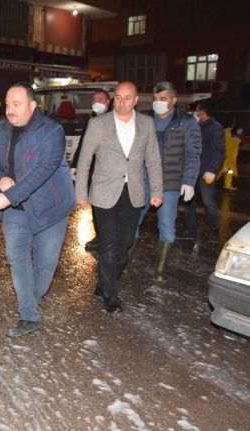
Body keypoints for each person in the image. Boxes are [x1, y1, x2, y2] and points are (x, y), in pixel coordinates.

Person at [0, 82, 75, 337]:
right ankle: (29, 316)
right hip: (17, 211)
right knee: (17, 257)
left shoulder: (51, 131)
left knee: (44, 267)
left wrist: (8, 196)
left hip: (50, 209)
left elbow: (42, 171)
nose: (10, 110)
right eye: (8, 104)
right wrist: (1, 180)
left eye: (17, 104)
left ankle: (29, 302)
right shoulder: (0, 129)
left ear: (32, 106)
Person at [75, 82, 163, 313]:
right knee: (109, 246)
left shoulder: (146, 124)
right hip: (104, 193)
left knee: (124, 247)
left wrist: (157, 191)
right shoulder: (97, 124)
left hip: (133, 193)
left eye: (127, 98)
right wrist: (81, 193)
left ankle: (104, 281)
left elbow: (153, 159)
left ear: (136, 101)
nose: (122, 102)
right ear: (113, 99)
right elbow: (84, 160)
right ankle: (111, 296)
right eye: (118, 98)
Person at [130, 81, 201, 283]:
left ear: (173, 100)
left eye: (163, 99)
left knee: (167, 225)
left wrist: (189, 181)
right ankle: (125, 260)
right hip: (143, 179)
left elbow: (193, 154)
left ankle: (160, 268)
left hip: (170, 182)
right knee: (132, 220)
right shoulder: (144, 119)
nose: (158, 103)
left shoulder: (186, 122)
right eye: (155, 99)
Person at [179, 100, 225, 241]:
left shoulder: (215, 128)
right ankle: (190, 230)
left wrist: (212, 169)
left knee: (208, 202)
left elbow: (219, 151)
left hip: (206, 174)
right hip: (193, 172)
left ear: (203, 111)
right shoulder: (196, 126)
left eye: (197, 110)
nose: (196, 113)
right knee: (188, 201)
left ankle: (214, 229)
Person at [72, 89, 111, 251]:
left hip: (107, 171)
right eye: (94, 99)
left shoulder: (114, 121)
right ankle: (99, 236)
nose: (97, 102)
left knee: (106, 207)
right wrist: (75, 165)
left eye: (100, 99)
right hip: (92, 170)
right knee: (94, 205)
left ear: (108, 102)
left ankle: (108, 239)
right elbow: (82, 146)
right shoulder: (90, 122)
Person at [219, 126, 243, 192]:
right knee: (219, 170)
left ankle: (228, 185)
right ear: (231, 131)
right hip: (221, 156)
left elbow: (235, 149)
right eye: (235, 135)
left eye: (238, 136)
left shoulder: (238, 138)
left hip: (230, 158)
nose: (237, 137)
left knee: (230, 171)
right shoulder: (223, 133)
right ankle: (209, 183)